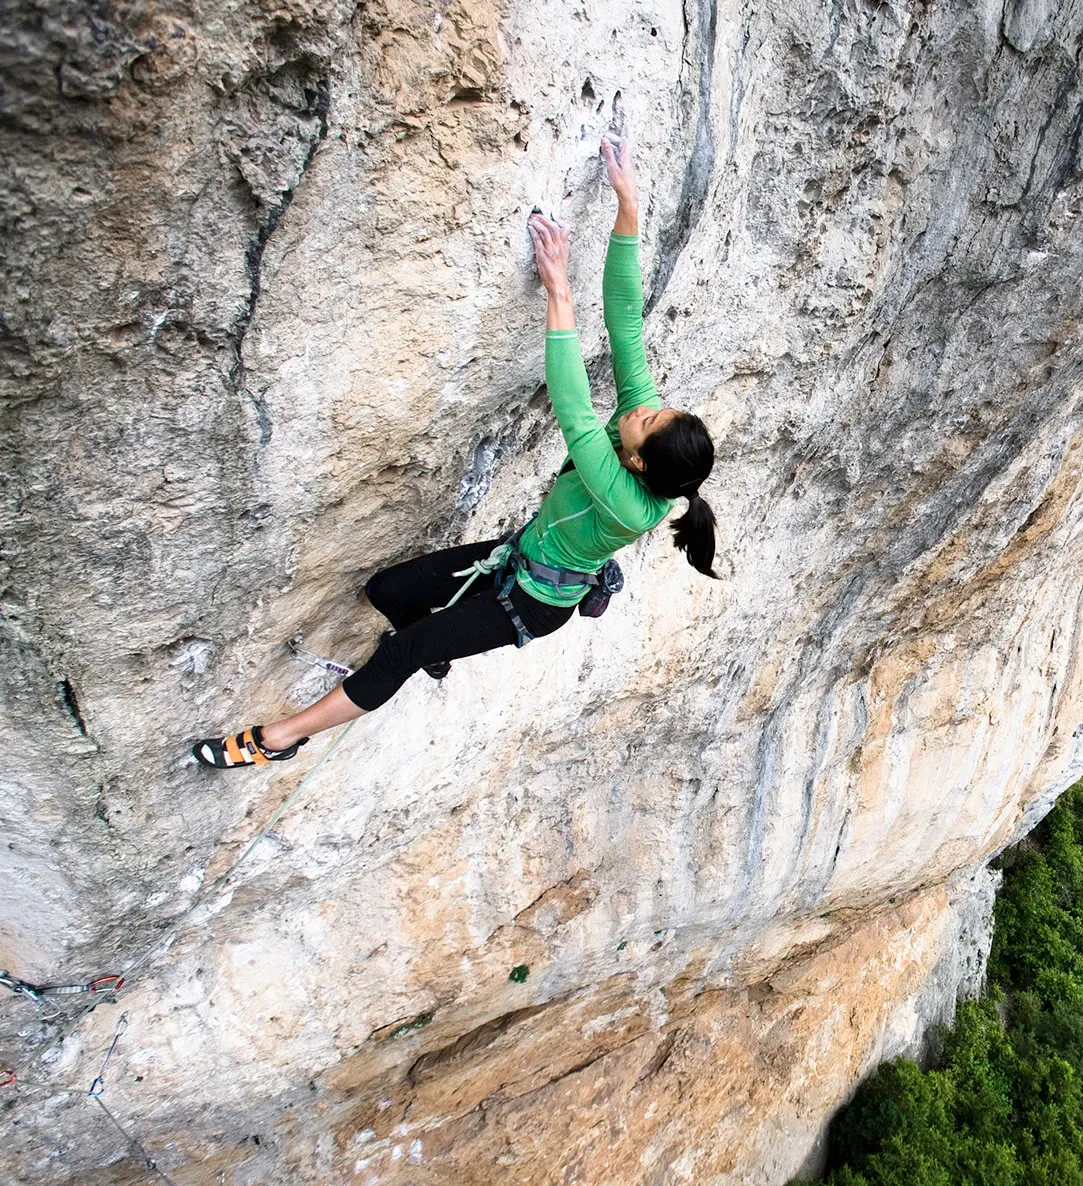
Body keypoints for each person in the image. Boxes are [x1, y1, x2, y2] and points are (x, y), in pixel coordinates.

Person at [193, 138, 718, 768]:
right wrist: (628, 203)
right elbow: (628, 323)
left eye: (646, 420)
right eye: (655, 408)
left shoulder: (631, 501)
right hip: (524, 551)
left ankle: (278, 740)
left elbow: (576, 411)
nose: (641, 409)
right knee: (390, 591)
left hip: (531, 600)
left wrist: (559, 294)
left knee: (401, 652)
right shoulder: (645, 442)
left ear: (637, 462)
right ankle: (450, 637)